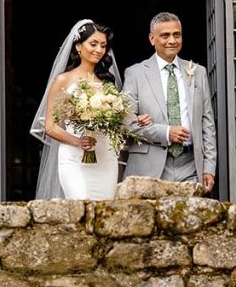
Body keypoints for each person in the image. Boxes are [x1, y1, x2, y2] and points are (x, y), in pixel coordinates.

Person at [29, 19, 151, 200]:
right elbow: (50, 126)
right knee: (80, 207)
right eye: (93, 44)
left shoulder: (107, 82)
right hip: (74, 157)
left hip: (105, 157)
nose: (99, 50)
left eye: (103, 45)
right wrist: (77, 141)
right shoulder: (63, 80)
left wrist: (135, 121)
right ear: (78, 46)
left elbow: (117, 123)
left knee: (104, 212)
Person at [123, 12, 217, 193]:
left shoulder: (198, 72)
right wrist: (166, 132)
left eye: (177, 34)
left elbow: (207, 123)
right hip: (148, 165)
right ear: (152, 39)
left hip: (191, 165)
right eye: (165, 35)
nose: (172, 40)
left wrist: (209, 168)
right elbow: (127, 123)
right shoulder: (135, 73)